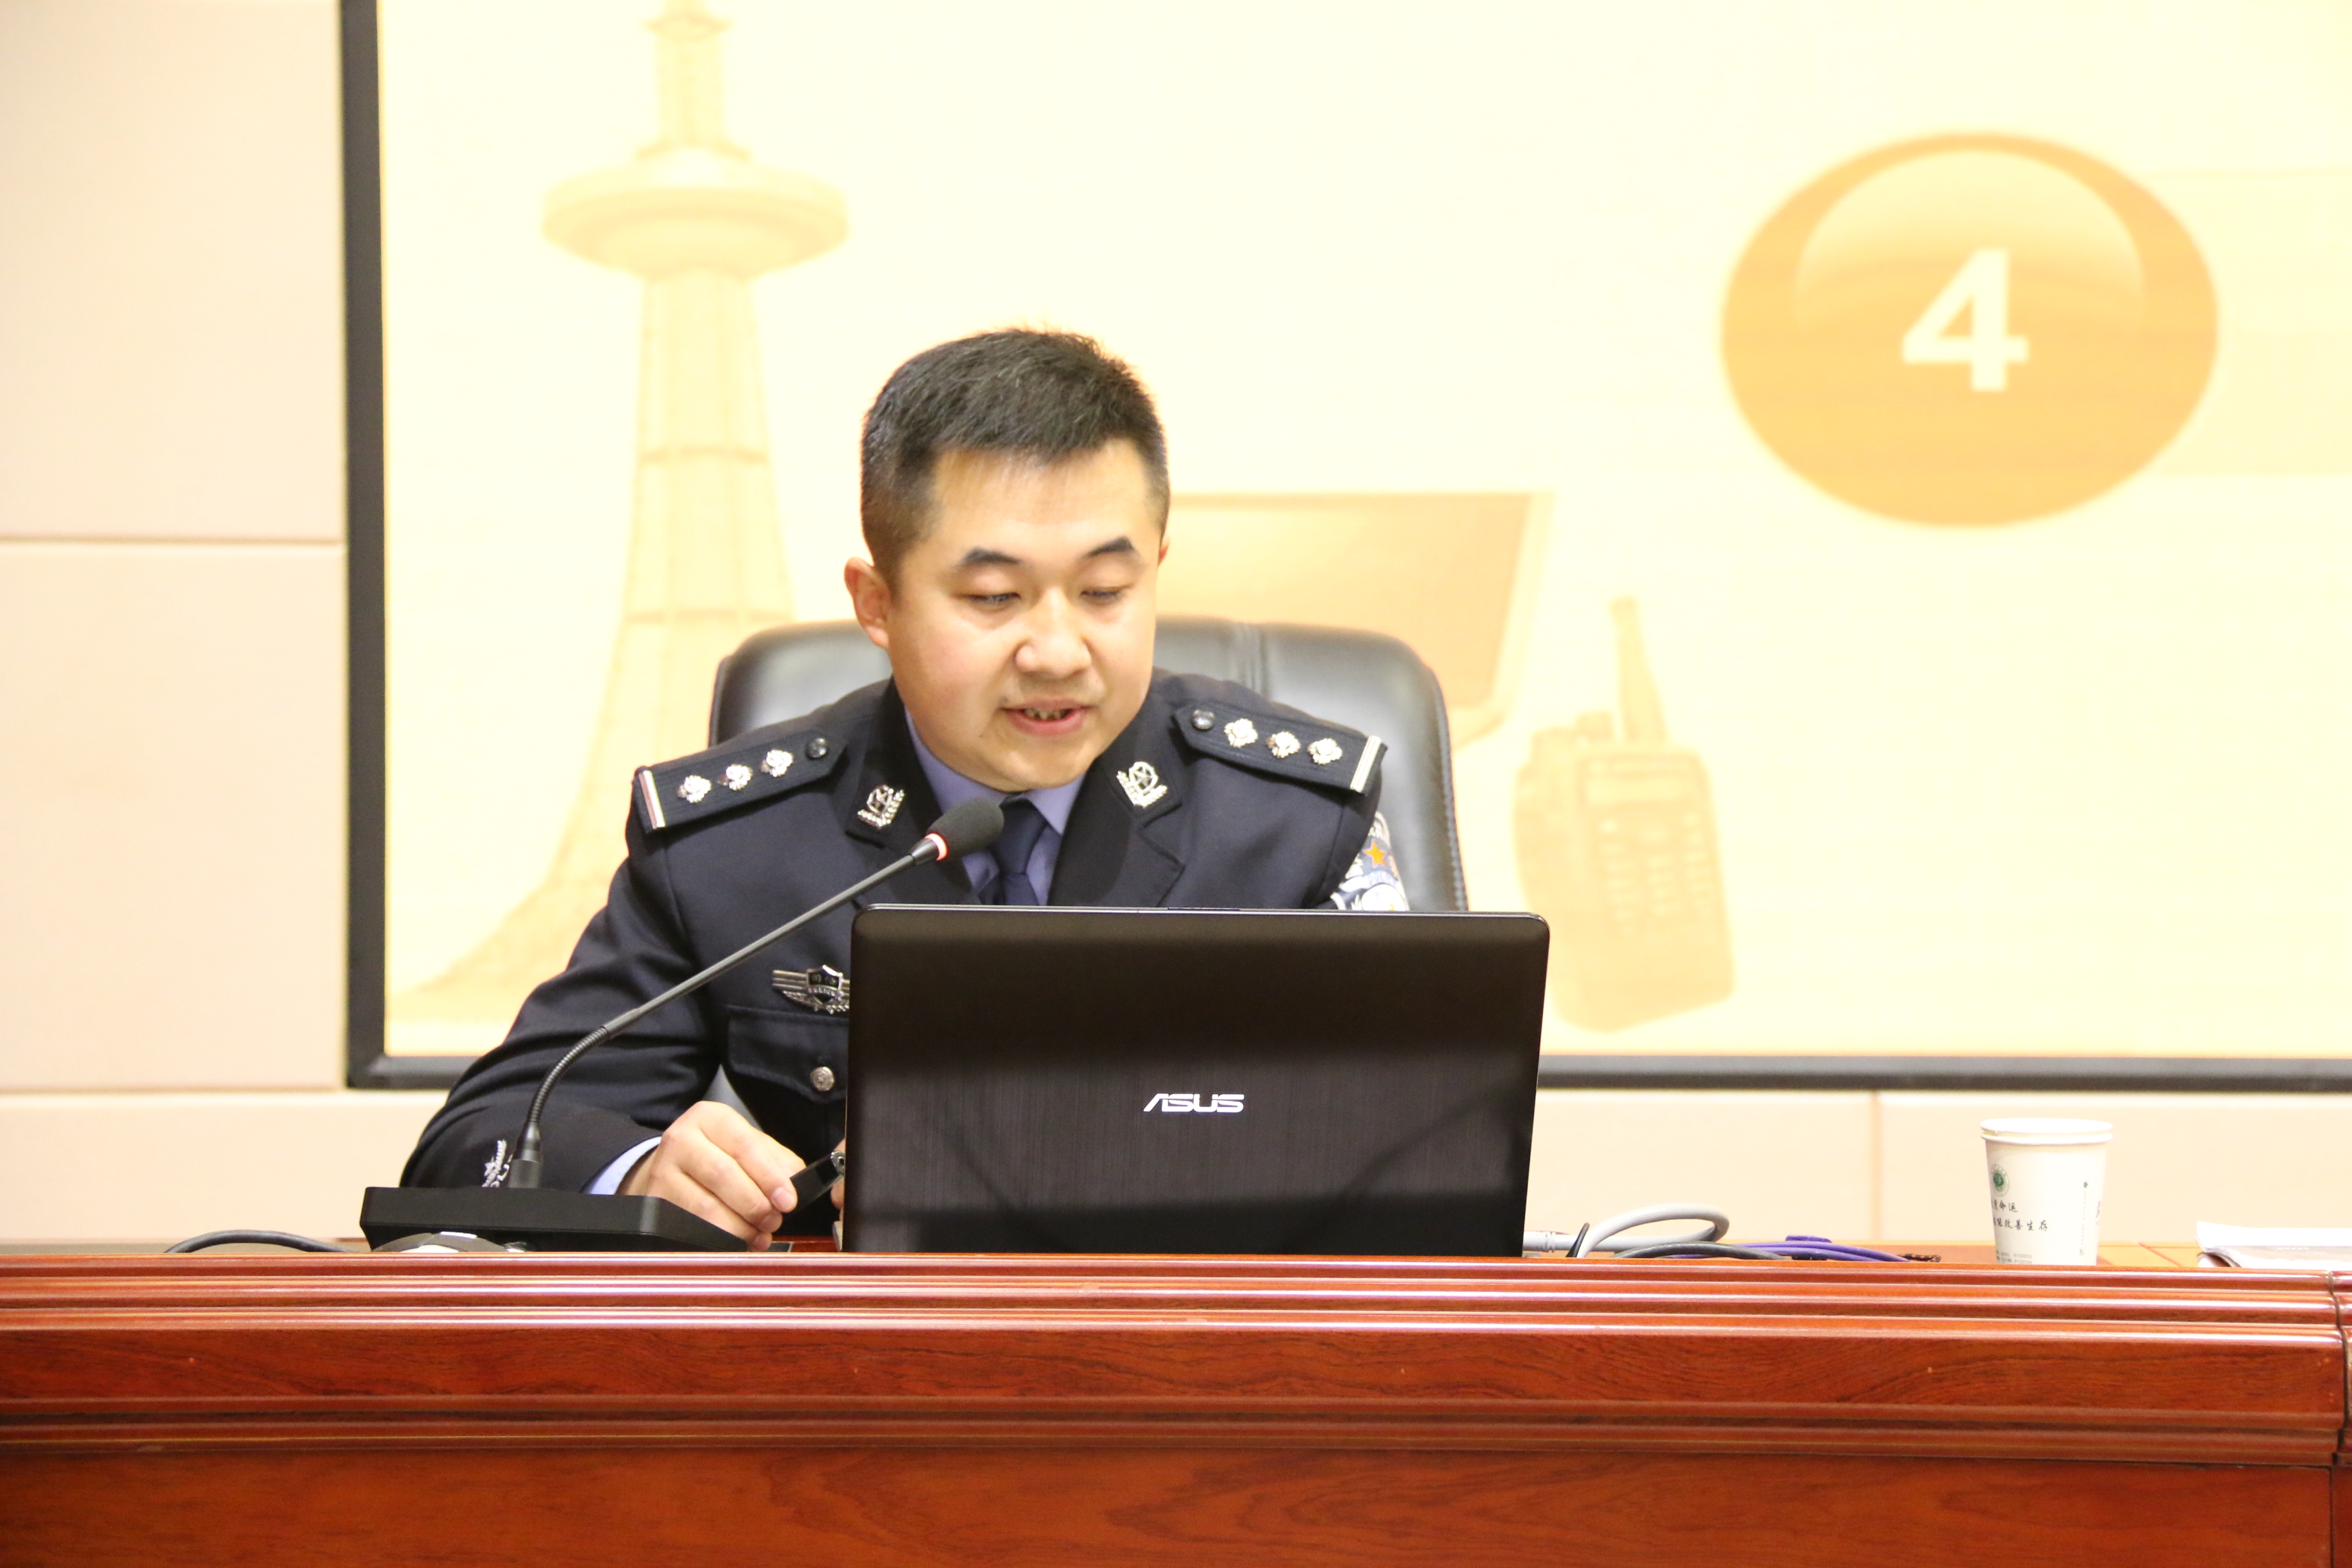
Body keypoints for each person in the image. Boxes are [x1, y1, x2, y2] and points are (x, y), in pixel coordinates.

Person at [402, 329, 1408, 1246]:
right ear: (877, 603)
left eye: (1107, 591)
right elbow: (483, 1139)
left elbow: (1430, 1139)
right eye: (994, 597)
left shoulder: (1295, 820)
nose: (1059, 651)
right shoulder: (737, 844)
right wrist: (638, 1174)